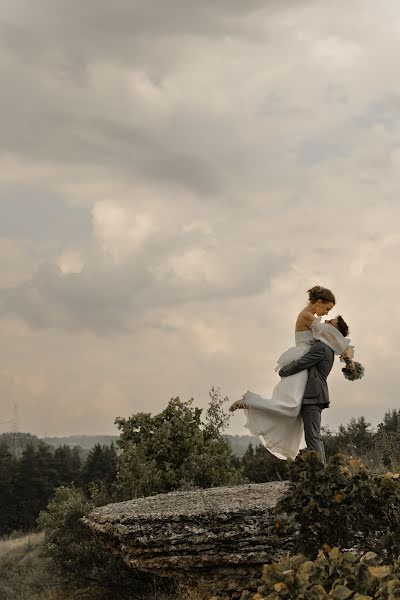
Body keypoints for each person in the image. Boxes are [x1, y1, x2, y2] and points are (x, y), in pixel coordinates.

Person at [229, 286, 354, 460]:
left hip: (303, 364)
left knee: (292, 409)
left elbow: (332, 336)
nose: (325, 315)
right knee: (291, 407)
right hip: (300, 360)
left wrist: (347, 354)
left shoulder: (317, 331)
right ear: (319, 302)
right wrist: (347, 353)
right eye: (327, 309)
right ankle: (250, 402)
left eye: (329, 313)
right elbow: (331, 335)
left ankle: (312, 461)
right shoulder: (307, 316)